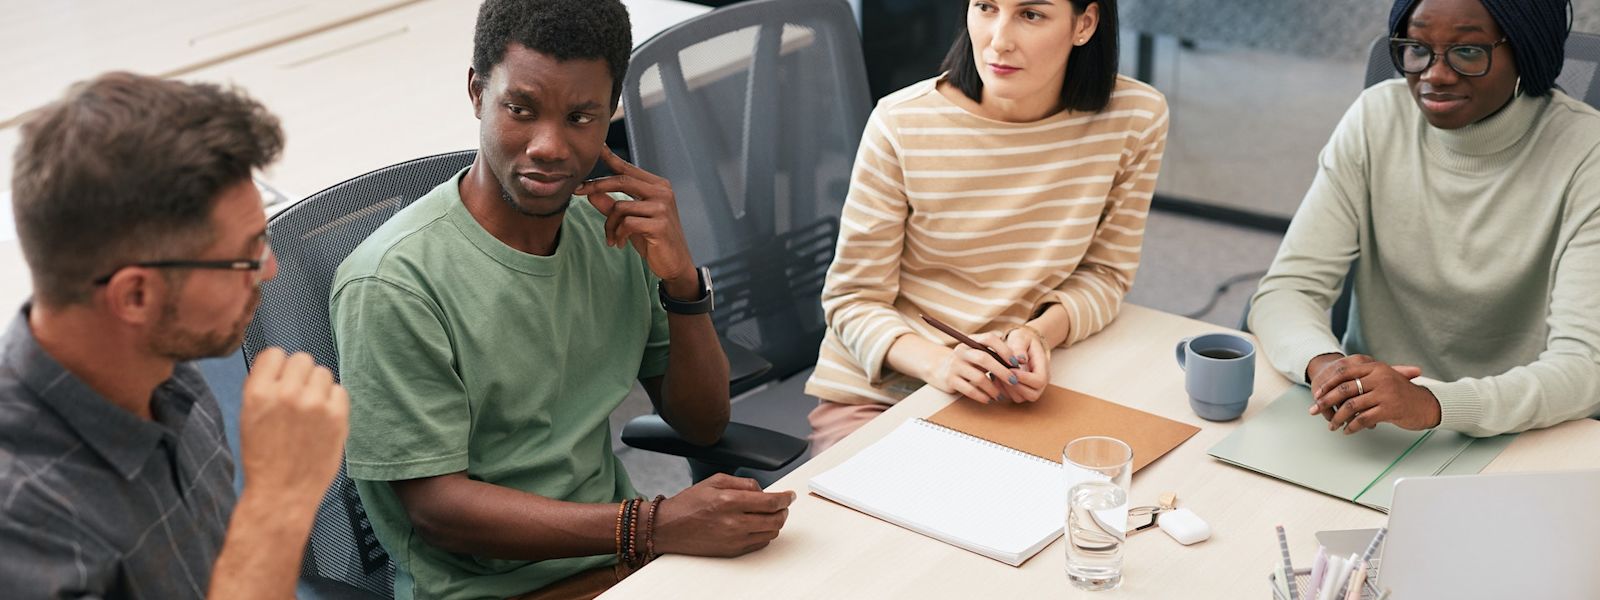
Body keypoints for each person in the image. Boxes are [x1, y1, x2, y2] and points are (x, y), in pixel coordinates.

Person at [328, 0, 795, 598]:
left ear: (610, 115)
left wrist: (682, 285)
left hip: (629, 560)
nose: (549, 146)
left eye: (580, 117)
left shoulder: (614, 233)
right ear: (477, 93)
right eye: (520, 110)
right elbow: (437, 510)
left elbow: (702, 425)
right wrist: (649, 525)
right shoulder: (393, 284)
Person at [0, 72, 350, 598]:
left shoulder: (167, 371)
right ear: (135, 296)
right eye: (247, 255)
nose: (270, 269)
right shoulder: (22, 524)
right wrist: (280, 500)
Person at [804, 0, 1169, 452]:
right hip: (885, 397)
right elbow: (851, 300)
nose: (998, 40)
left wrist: (1038, 333)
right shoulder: (902, 124)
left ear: (1085, 24)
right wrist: (939, 363)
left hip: (1019, 390)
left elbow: (1106, 274)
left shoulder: (1135, 119)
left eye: (1030, 14)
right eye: (986, 7)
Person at [1250, 0, 1600, 436]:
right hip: (1366, 423)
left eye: (1469, 52)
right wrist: (1330, 369)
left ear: (1526, 51)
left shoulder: (1588, 153)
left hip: (1521, 430)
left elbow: (1584, 367)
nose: (1434, 75)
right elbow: (1287, 290)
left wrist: (1432, 403)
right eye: (1417, 48)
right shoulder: (1375, 117)